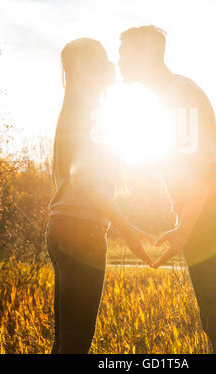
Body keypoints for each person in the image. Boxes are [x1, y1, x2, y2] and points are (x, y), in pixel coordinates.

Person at [118, 26, 216, 354]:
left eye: (124, 54)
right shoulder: (170, 96)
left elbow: (200, 171)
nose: (118, 61)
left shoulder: (180, 94)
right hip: (206, 216)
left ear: (145, 57)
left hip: (212, 218)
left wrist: (184, 229)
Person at [46, 38, 153, 354]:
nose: (111, 64)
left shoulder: (75, 112)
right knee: (75, 344)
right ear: (88, 69)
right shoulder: (91, 115)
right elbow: (88, 183)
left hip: (62, 227)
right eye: (104, 59)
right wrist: (129, 230)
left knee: (66, 342)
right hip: (82, 231)